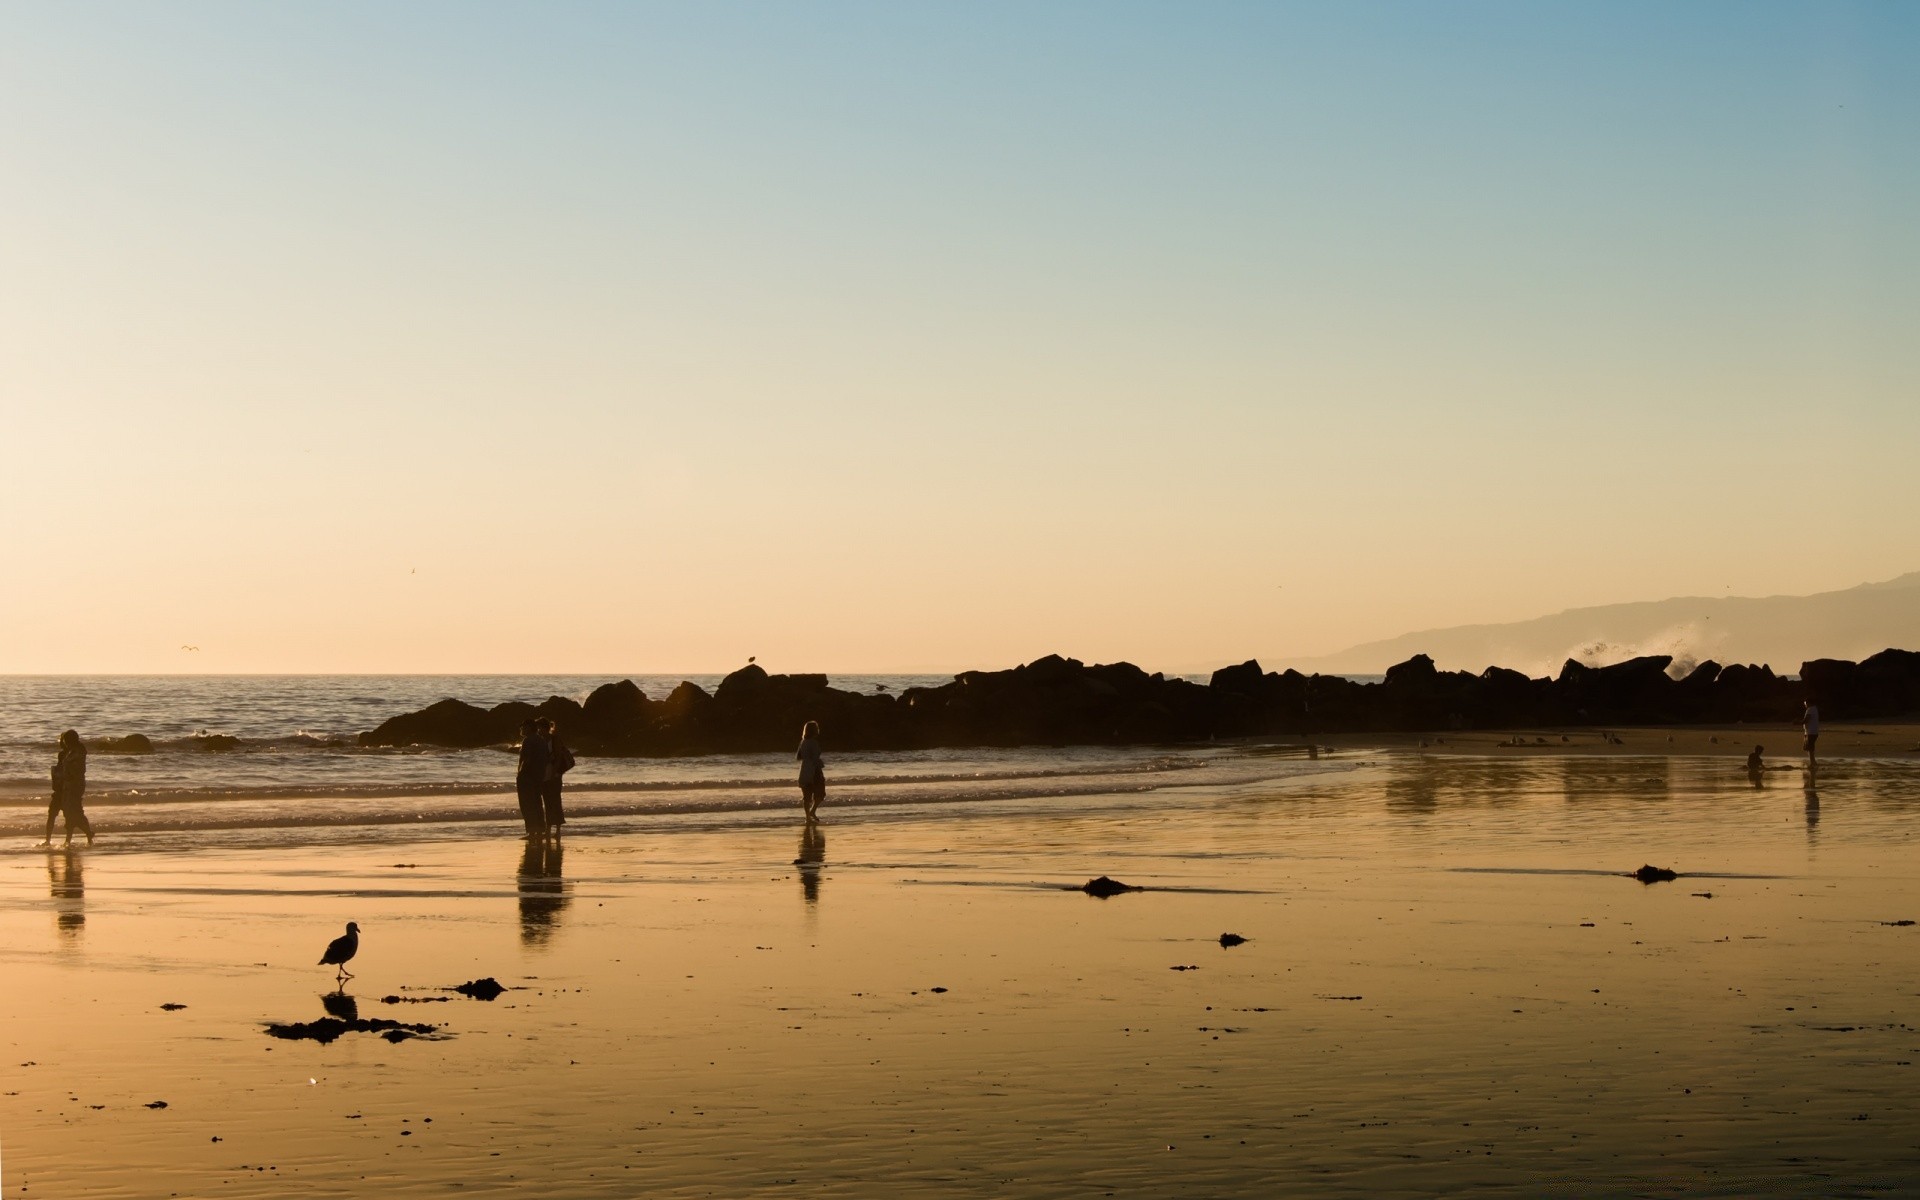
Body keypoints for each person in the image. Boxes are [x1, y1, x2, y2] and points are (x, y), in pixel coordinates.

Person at [43, 730, 93, 847]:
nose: (62, 743)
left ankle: (80, 837)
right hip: (63, 788)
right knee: (62, 814)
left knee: (73, 814)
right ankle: (51, 840)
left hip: (72, 787)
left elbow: (74, 771)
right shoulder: (66, 754)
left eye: (64, 740)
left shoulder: (77, 752)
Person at [515, 719, 551, 838]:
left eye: (523, 727)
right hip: (539, 776)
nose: (521, 729)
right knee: (537, 803)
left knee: (527, 804)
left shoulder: (528, 740)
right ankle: (540, 830)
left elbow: (527, 759)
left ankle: (531, 831)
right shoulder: (541, 740)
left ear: (529, 728)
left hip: (527, 776)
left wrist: (521, 773)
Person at [540, 717, 574, 836]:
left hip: (555, 775)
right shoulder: (542, 740)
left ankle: (558, 830)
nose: (539, 731)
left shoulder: (555, 739)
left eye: (540, 728)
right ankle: (548, 829)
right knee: (547, 801)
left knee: (555, 801)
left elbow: (559, 758)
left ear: (545, 728)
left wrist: (555, 773)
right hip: (544, 775)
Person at [796, 720, 825, 820]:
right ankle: (812, 812)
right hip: (814, 770)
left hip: (804, 770)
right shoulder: (813, 742)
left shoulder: (803, 742)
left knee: (806, 796)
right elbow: (815, 758)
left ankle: (808, 816)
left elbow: (799, 757)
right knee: (820, 793)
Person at [1801, 699, 1821, 770]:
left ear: (1808, 703)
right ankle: (1813, 762)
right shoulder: (1814, 709)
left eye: (1805, 704)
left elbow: (1807, 719)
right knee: (1808, 748)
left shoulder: (1810, 709)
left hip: (1811, 732)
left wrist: (1797, 722)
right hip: (1810, 732)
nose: (1805, 705)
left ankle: (1813, 763)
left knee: (1810, 748)